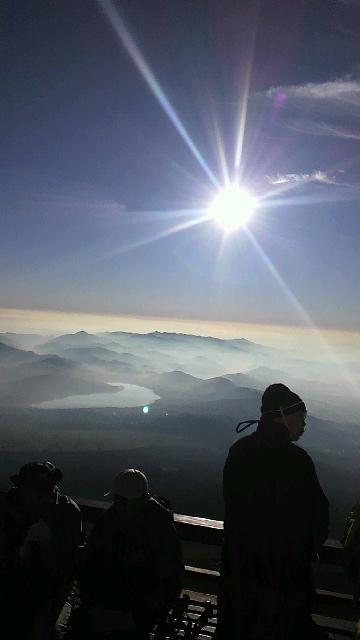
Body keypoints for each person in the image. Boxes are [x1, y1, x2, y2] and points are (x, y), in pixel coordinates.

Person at [217, 383, 329, 640]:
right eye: (301, 417)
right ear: (284, 415)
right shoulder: (297, 461)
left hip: (238, 576)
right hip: (283, 581)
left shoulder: (239, 451)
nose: (304, 425)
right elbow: (318, 519)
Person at [77, 468, 183, 639]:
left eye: (119, 498)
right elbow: (91, 559)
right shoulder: (112, 518)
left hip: (136, 612)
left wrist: (141, 615)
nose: (116, 502)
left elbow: (168, 579)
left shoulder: (159, 528)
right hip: (106, 605)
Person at [0, 461, 84, 639]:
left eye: (43, 491)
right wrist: (21, 551)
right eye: (33, 491)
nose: (38, 497)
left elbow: (69, 562)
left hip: (46, 594)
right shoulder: (8, 506)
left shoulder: (67, 512)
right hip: (9, 590)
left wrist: (49, 547)